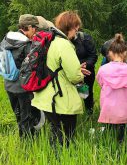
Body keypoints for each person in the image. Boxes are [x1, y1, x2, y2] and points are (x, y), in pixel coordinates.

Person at [31, 11, 89, 147]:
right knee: (66, 134)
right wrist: (80, 73)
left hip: (47, 96)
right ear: (72, 26)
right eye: (77, 26)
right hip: (60, 98)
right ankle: (63, 158)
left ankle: (55, 160)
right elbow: (74, 77)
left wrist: (75, 68)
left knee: (55, 130)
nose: (77, 30)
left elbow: (56, 66)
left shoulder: (52, 40)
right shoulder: (64, 44)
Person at [0, 14, 41, 137]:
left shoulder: (6, 39)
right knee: (27, 117)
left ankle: (22, 138)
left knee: (18, 115)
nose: (36, 31)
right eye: (35, 28)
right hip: (23, 88)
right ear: (29, 27)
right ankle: (28, 145)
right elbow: (32, 66)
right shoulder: (26, 44)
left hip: (8, 84)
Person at [96, 33, 127, 143]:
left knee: (109, 135)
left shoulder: (102, 70)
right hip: (125, 111)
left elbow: (100, 83)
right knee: (123, 136)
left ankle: (108, 152)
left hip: (107, 110)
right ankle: (122, 151)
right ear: (125, 53)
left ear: (110, 53)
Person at [71, 31, 98, 114]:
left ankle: (89, 113)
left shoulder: (84, 38)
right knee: (71, 94)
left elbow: (93, 56)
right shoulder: (62, 40)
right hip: (69, 72)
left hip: (85, 73)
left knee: (85, 93)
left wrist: (85, 65)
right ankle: (73, 113)